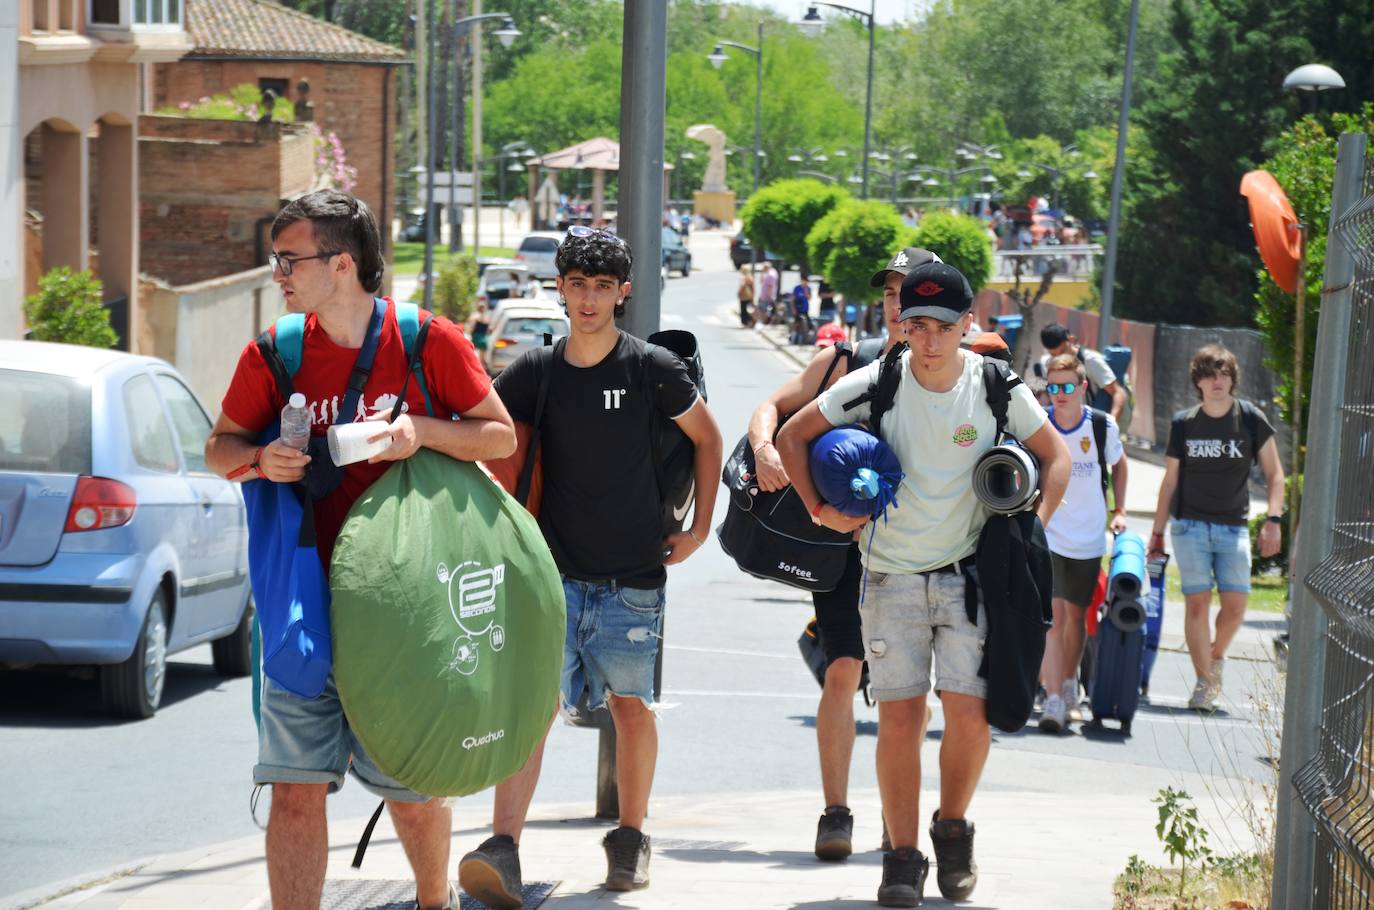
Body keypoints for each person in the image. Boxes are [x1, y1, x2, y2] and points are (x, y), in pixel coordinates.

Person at [205, 189, 517, 910]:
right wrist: (260, 461)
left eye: (290, 259)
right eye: (276, 258)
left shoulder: (427, 341)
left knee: (411, 786)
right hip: (302, 605)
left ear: (341, 264)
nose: (278, 273)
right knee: (294, 788)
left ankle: (435, 901)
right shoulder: (274, 353)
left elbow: (498, 435)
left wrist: (420, 433)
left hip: (405, 610)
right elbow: (219, 448)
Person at [776, 261, 1070, 907]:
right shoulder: (876, 382)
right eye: (917, 325)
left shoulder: (993, 384)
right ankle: (902, 858)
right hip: (890, 578)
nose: (930, 340)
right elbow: (794, 436)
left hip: (971, 578)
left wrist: (1032, 532)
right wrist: (822, 511)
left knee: (969, 713)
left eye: (943, 326)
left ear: (967, 324)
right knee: (901, 717)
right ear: (902, 325)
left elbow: (1057, 456)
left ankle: (953, 829)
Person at [456, 227, 723, 906]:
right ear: (560, 288)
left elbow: (708, 437)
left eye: (602, 287)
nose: (589, 299)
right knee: (533, 710)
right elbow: (482, 428)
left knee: (631, 710)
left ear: (622, 293)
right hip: (551, 579)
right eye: (577, 285)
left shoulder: (651, 368)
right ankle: (503, 847)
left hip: (634, 580)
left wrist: (699, 529)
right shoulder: (536, 371)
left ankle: (630, 839)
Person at [749, 248, 941, 864]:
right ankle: (835, 814)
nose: (896, 304)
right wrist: (766, 449)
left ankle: (895, 815)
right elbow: (772, 410)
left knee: (906, 689)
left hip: (918, 551)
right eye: (888, 293)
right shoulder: (845, 361)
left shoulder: (955, 374)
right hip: (844, 550)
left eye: (908, 292)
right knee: (842, 669)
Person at [1148, 344, 1284, 711]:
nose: (1217, 381)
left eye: (1224, 375)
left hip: (1233, 527)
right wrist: (1157, 533)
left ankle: (1216, 656)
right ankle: (1204, 683)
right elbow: (1170, 482)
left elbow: (1275, 475)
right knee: (1197, 605)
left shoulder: (1250, 418)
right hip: (1189, 527)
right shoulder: (1184, 423)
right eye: (1209, 375)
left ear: (1232, 380)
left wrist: (1273, 520)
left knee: (1236, 607)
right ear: (1199, 382)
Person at [1036, 353, 1128, 733]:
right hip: (1050, 534)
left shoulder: (1101, 426)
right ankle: (1053, 699)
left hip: (1089, 539)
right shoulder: (1039, 424)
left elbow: (1120, 465)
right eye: (1053, 387)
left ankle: (1070, 683)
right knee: (1054, 618)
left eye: (1067, 386)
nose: (1059, 394)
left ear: (1083, 387)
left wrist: (1119, 510)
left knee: (1076, 619)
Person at [1039, 323, 1127, 422]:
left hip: (1096, 421)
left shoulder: (1091, 361)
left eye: (1063, 351)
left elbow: (1118, 392)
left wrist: (1111, 424)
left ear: (1071, 340)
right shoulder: (1047, 364)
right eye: (1054, 355)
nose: (1060, 358)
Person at [790, 279, 813, 345]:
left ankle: (803, 339)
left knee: (807, 324)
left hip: (805, 309)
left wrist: (806, 292)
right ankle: (793, 338)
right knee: (796, 324)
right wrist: (793, 309)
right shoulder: (797, 288)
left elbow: (809, 298)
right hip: (798, 309)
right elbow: (792, 299)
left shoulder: (808, 288)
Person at [758, 261, 780, 326]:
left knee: (764, 310)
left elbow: (770, 287)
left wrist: (770, 297)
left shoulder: (770, 275)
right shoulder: (770, 272)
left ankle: (765, 323)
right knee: (765, 310)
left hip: (767, 296)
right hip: (766, 295)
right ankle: (765, 322)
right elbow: (761, 281)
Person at [737, 263, 755, 328]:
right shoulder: (751, 277)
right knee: (749, 309)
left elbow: (742, 285)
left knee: (744, 309)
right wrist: (752, 297)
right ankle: (750, 322)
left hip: (744, 295)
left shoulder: (744, 277)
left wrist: (739, 292)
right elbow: (753, 288)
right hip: (749, 295)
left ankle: (745, 322)